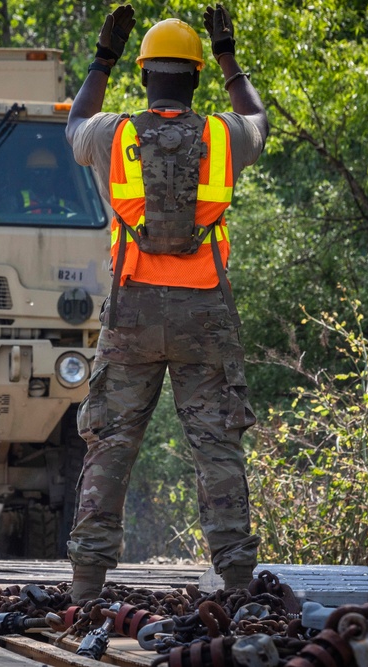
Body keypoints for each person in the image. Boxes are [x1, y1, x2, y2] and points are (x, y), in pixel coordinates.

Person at [64, 3, 269, 600]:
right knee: (217, 445)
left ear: (145, 73)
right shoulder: (224, 135)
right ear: (198, 77)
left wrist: (102, 60)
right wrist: (229, 53)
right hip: (203, 313)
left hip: (131, 313)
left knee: (111, 441)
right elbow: (257, 116)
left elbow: (74, 124)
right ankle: (235, 581)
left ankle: (85, 584)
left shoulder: (112, 134)